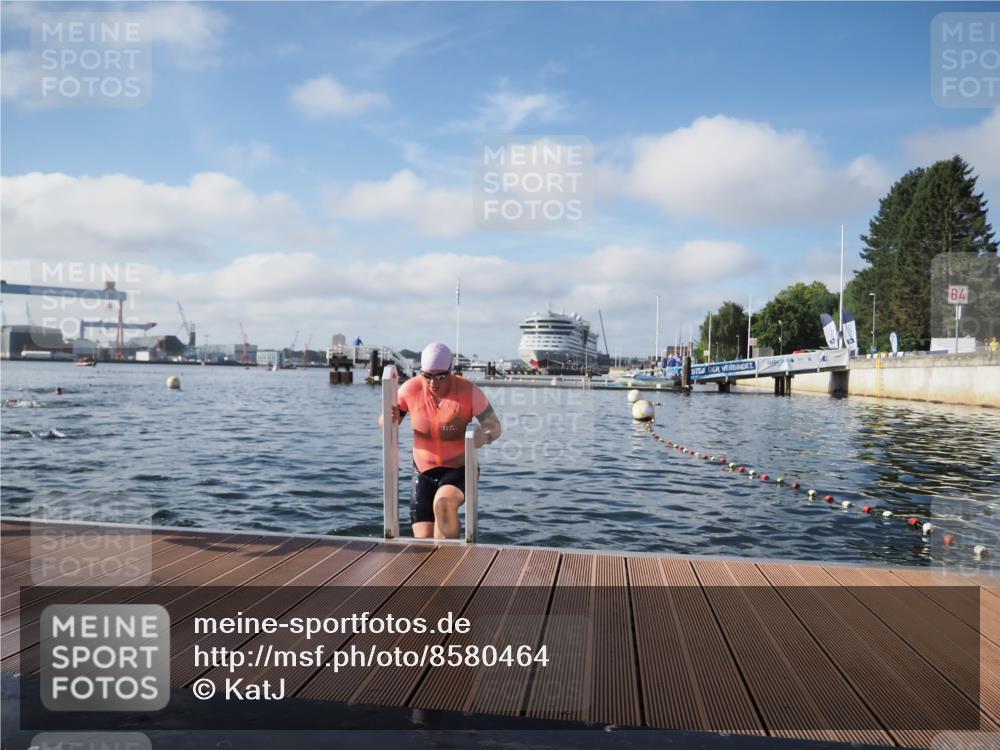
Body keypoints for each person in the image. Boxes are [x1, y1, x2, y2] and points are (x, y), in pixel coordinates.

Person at [380, 342, 501, 539]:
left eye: (440, 377)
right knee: (424, 541)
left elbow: (495, 427)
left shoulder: (468, 391)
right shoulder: (411, 389)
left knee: (443, 505)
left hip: (459, 469)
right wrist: (389, 416)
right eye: (427, 376)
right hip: (423, 471)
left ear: (451, 370)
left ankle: (451, 564)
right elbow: (385, 423)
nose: (433, 383)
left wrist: (483, 436)